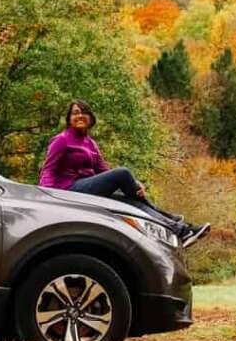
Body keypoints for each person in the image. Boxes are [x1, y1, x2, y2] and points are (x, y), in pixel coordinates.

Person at [38, 100, 210, 248]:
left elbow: (104, 172)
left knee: (131, 203)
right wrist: (48, 197)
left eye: (84, 112)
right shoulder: (61, 140)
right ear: (69, 119)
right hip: (68, 191)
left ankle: (180, 230)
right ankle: (172, 219)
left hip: (89, 190)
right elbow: (48, 169)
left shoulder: (91, 144)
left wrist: (135, 185)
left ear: (91, 119)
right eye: (75, 113)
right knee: (123, 172)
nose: (80, 115)